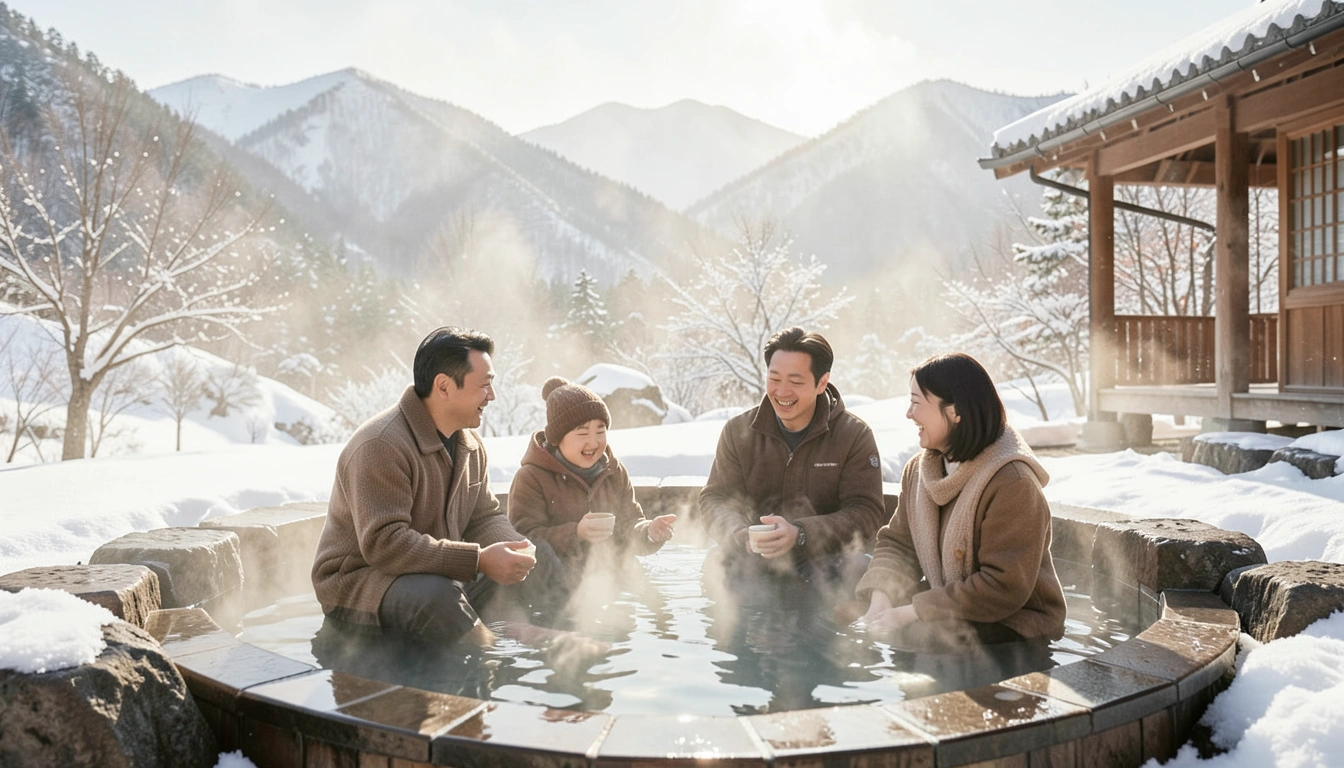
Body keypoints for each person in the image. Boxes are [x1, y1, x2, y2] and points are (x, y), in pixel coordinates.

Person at [311, 326, 548, 645]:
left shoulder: (469, 444)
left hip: (433, 571)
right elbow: (385, 544)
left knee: (529, 566)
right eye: (484, 385)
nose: (491, 396)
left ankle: (542, 639)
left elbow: (483, 518)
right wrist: (478, 560)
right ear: (444, 386)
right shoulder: (381, 445)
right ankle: (490, 654)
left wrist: (516, 549)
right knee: (438, 596)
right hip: (362, 582)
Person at [855, 352, 1066, 651]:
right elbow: (899, 544)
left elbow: (1002, 586)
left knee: (918, 637)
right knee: (851, 614)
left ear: (954, 411)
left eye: (916, 402)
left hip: (1016, 622)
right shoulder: (918, 471)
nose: (909, 414)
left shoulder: (1013, 482)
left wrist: (911, 612)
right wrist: (882, 598)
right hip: (953, 604)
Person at [699, 326, 885, 599]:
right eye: (774, 378)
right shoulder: (738, 432)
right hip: (755, 559)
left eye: (796, 382)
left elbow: (866, 512)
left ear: (822, 383)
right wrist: (739, 534)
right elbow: (715, 498)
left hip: (825, 562)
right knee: (716, 563)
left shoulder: (853, 435)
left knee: (861, 568)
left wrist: (801, 534)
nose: (782, 391)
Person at [508, 377, 676, 588]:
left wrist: (649, 532)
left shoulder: (613, 471)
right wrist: (576, 533)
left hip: (613, 580)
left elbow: (630, 524)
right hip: (557, 586)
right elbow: (524, 540)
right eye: (582, 433)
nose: (593, 442)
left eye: (600, 431)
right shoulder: (532, 477)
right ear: (557, 438)